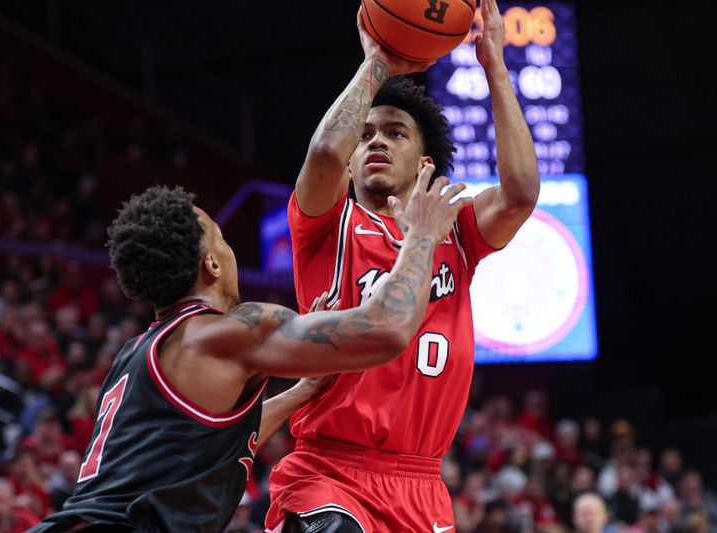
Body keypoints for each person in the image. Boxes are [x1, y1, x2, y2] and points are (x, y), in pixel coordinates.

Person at [31, 178, 471, 532]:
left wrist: (301, 393)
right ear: (212, 265)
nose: (229, 248)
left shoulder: (139, 352)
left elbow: (215, 446)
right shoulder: (224, 333)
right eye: (222, 239)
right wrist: (422, 238)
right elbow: (386, 330)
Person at [265, 0, 539, 531]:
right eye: (365, 135)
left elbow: (522, 193)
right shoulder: (326, 225)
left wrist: (495, 65)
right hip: (330, 472)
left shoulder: (456, 230)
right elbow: (324, 154)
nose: (375, 143)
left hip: (423, 485)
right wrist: (377, 64)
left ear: (426, 162)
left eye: (394, 134)